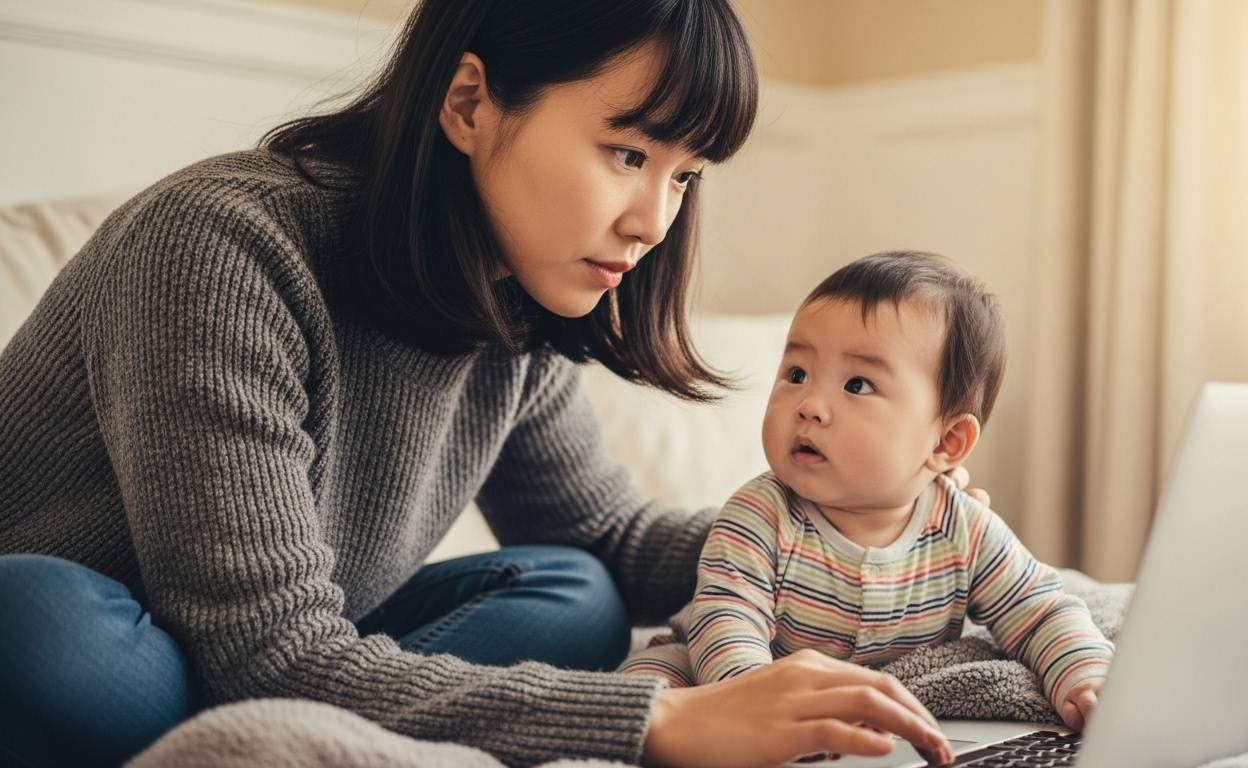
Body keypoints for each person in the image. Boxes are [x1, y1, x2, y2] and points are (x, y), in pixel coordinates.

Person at [0, 2, 987, 767]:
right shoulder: (221, 248)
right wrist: (660, 718)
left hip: (285, 653)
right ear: (469, 104)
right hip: (109, 646)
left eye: (683, 175)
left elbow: (606, 536)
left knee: (575, 592)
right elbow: (268, 647)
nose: (653, 219)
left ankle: (331, 720)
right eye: (628, 152)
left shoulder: (516, 298)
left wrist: (886, 541)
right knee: (35, 626)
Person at [621, 252, 1115, 740]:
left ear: (946, 443)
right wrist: (751, 696)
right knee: (655, 682)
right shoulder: (761, 515)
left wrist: (1084, 674)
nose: (810, 405)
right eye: (796, 374)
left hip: (883, 697)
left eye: (857, 384)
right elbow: (726, 617)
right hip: (719, 662)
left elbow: (1039, 609)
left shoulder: (964, 528)